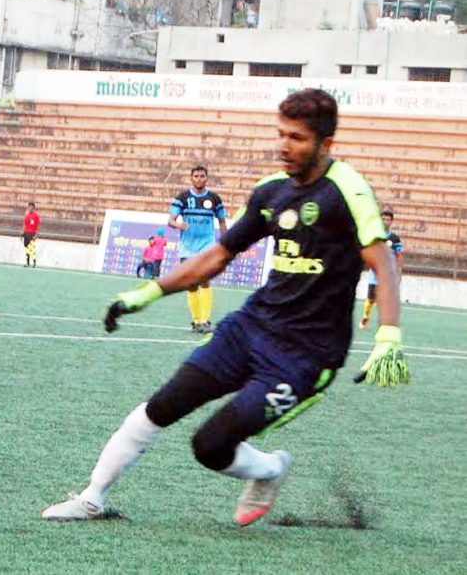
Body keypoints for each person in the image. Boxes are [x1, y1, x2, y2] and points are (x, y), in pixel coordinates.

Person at [42, 88, 408, 526]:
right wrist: (147, 293)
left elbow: (382, 262)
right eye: (281, 134)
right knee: (162, 405)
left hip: (305, 356)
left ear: (326, 145)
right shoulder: (271, 191)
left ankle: (271, 469)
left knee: (210, 445)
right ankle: (91, 498)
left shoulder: (348, 191)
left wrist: (389, 335)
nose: (284, 146)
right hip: (249, 329)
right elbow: (218, 256)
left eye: (297, 137)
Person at [169, 165, 227, 333]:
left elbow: (222, 221)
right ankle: (196, 321)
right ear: (191, 178)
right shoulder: (183, 198)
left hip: (207, 246)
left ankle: (205, 320)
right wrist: (178, 224)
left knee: (205, 281)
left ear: (206, 178)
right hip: (188, 247)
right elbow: (170, 220)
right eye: (196, 176)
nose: (199, 179)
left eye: (202, 176)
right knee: (191, 284)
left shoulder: (215, 199)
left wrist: (226, 242)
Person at [360, 209, 404, 330]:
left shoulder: (394, 239)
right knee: (370, 299)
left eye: (388, 219)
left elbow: (399, 255)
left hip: (389, 273)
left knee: (386, 298)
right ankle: (365, 317)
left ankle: (385, 324)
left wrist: (399, 272)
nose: (385, 222)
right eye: (383, 219)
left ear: (392, 221)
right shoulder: (375, 236)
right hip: (375, 273)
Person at [22, 202, 40, 268]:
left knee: (32, 248)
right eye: (29, 207)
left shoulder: (35, 216)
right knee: (27, 248)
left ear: (33, 208)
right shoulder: (26, 215)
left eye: (31, 208)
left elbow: (38, 225)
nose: (30, 209)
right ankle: (28, 262)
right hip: (26, 233)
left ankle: (34, 262)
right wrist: (23, 233)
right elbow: (24, 224)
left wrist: (37, 234)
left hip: (32, 233)